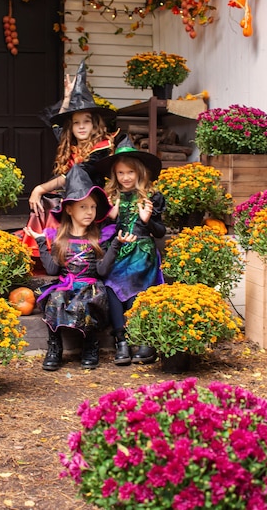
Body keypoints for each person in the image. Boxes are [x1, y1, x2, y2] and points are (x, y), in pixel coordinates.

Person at [23, 165, 136, 371]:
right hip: (67, 285)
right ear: (69, 209)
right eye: (83, 207)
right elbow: (52, 271)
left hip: (91, 286)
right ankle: (54, 347)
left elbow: (102, 271)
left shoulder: (99, 237)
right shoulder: (59, 239)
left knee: (87, 300)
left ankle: (90, 345)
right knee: (54, 298)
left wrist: (117, 245)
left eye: (92, 207)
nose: (89, 212)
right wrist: (41, 242)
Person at [23, 59, 117, 258]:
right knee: (43, 205)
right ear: (72, 127)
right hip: (72, 198)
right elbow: (57, 127)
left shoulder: (100, 148)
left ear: (95, 125)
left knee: (49, 198)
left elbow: (73, 175)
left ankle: (60, 253)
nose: (81, 127)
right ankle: (43, 252)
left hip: (90, 202)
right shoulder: (71, 144)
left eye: (86, 122)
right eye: (76, 123)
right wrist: (67, 100)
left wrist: (39, 188)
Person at [95, 136, 166, 366]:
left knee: (135, 281)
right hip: (117, 249)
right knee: (111, 284)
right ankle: (121, 340)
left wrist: (147, 221)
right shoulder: (110, 198)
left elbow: (161, 231)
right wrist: (109, 217)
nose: (125, 178)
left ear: (139, 173)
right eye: (120, 173)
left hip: (142, 252)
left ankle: (142, 337)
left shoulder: (151, 197)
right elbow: (99, 229)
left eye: (130, 173)